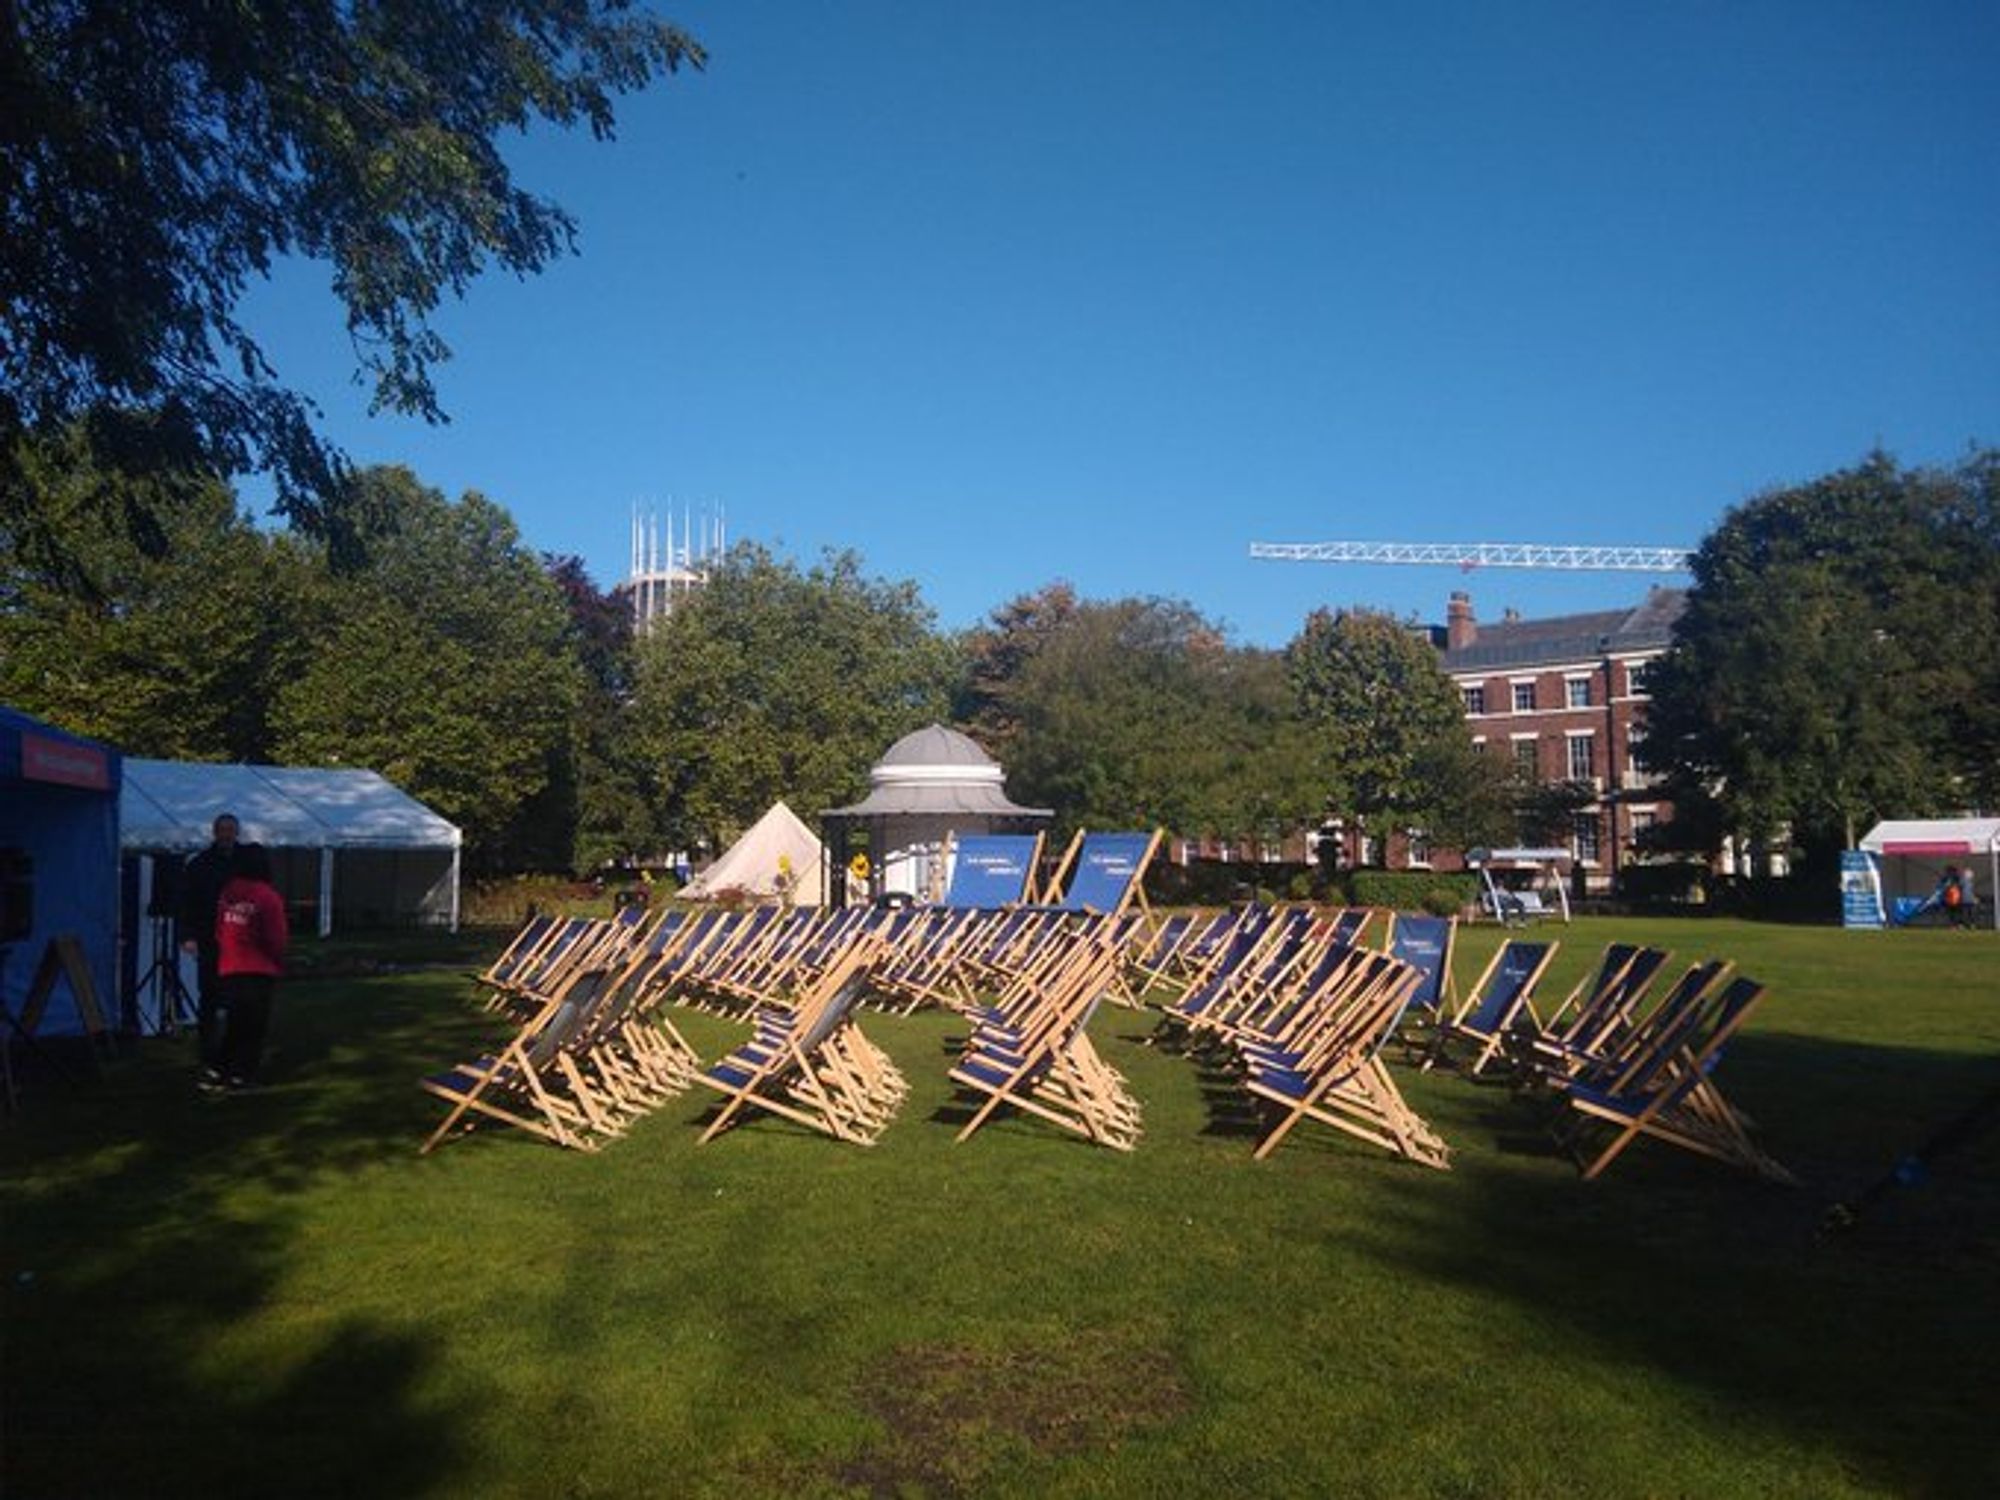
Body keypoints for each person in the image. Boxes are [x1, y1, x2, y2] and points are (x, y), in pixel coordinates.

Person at [204, 842, 288, 1092]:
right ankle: (242, 1075)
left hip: (230, 966)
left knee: (234, 1023)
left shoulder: (228, 892)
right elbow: (276, 936)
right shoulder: (267, 895)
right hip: (257, 968)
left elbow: (220, 930)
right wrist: (278, 959)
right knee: (254, 1026)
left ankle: (217, 1070)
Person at [179, 812, 239, 1072]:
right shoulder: (199, 865)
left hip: (239, 942)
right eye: (222, 830)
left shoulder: (245, 864)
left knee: (238, 999)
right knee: (210, 998)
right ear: (215, 833)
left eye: (231, 830)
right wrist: (187, 935)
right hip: (209, 940)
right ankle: (208, 1053)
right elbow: (186, 903)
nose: (227, 834)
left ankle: (233, 1052)